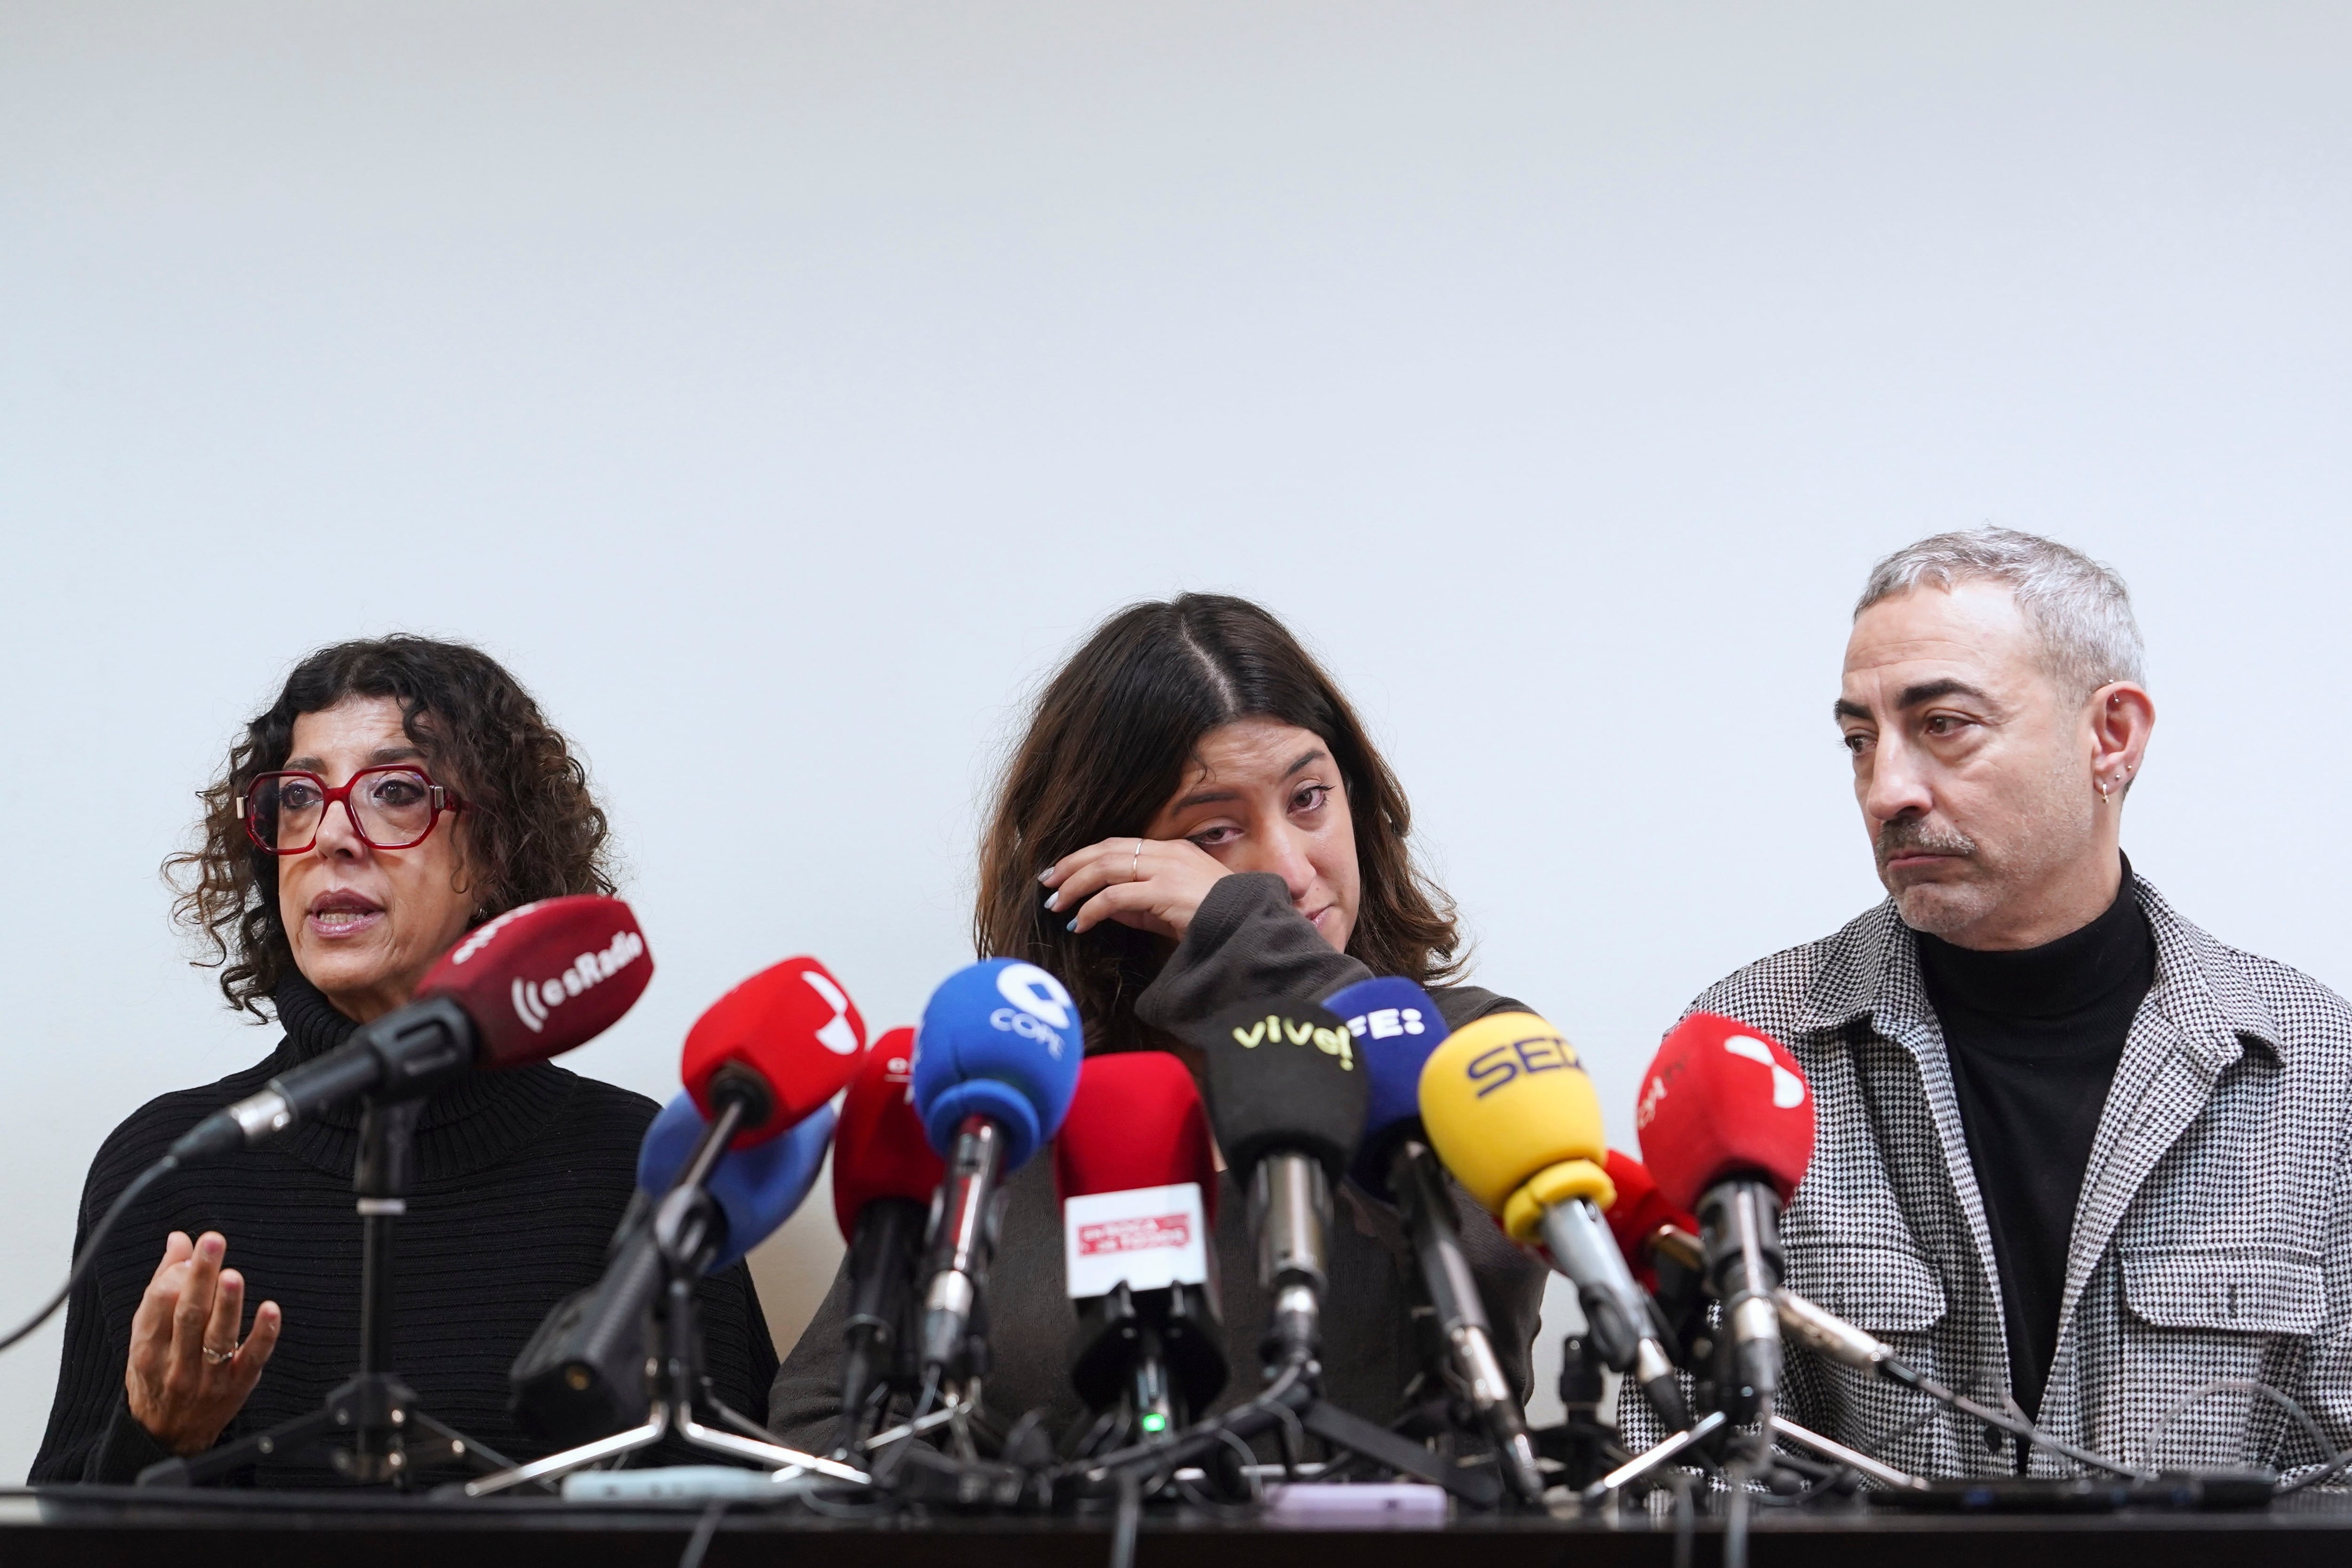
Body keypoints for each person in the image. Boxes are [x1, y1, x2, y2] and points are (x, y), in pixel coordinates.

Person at [767, 593, 1547, 1449]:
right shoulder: (1017, 1093)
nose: (1285, 869)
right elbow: (822, 1416)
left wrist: (1250, 944)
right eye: (1216, 832)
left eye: (1310, 798)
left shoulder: (1467, 1046)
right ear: (1107, 865)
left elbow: (1484, 1266)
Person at [1662, 528, 2352, 1479]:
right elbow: (1674, 1462)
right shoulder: (1746, 1047)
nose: (1885, 789)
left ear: (2110, 736)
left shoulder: (2319, 1064)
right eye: (1859, 741)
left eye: (1942, 723)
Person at [31, 636, 777, 1486]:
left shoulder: (644, 1165)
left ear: (495, 855)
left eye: (394, 792)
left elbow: (742, 1514)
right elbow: (68, 1524)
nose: (331, 836)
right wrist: (158, 1437)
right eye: (299, 797)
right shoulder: (171, 1168)